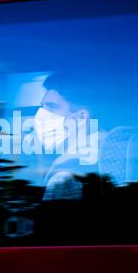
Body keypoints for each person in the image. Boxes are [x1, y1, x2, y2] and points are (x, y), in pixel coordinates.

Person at [34, 72, 106, 201]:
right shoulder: (105, 147)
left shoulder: (65, 175)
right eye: (42, 107)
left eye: (52, 107)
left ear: (81, 117)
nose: (41, 116)